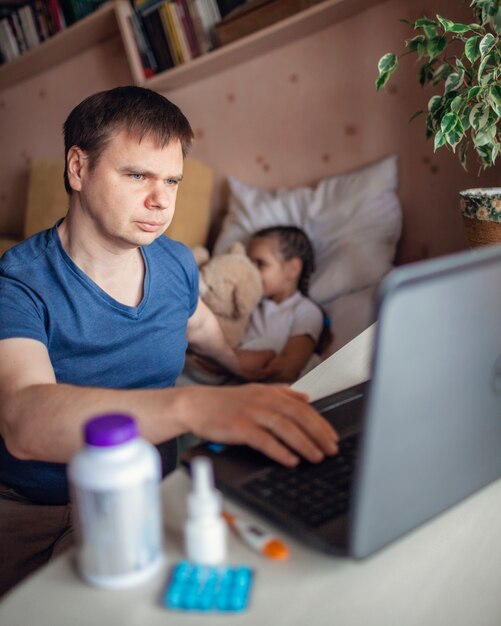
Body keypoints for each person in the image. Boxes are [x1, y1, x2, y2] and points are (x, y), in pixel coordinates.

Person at [0, 86, 339, 596]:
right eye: (137, 176)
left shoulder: (177, 263)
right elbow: (24, 417)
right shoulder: (18, 283)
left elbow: (197, 325)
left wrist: (241, 366)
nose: (161, 201)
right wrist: (192, 407)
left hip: (152, 498)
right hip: (35, 510)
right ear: (77, 168)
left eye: (172, 181)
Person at [243, 225, 328, 382]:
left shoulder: (305, 311)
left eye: (260, 263)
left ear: (293, 269)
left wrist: (233, 360)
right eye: (248, 263)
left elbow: (287, 370)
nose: (250, 272)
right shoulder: (251, 306)